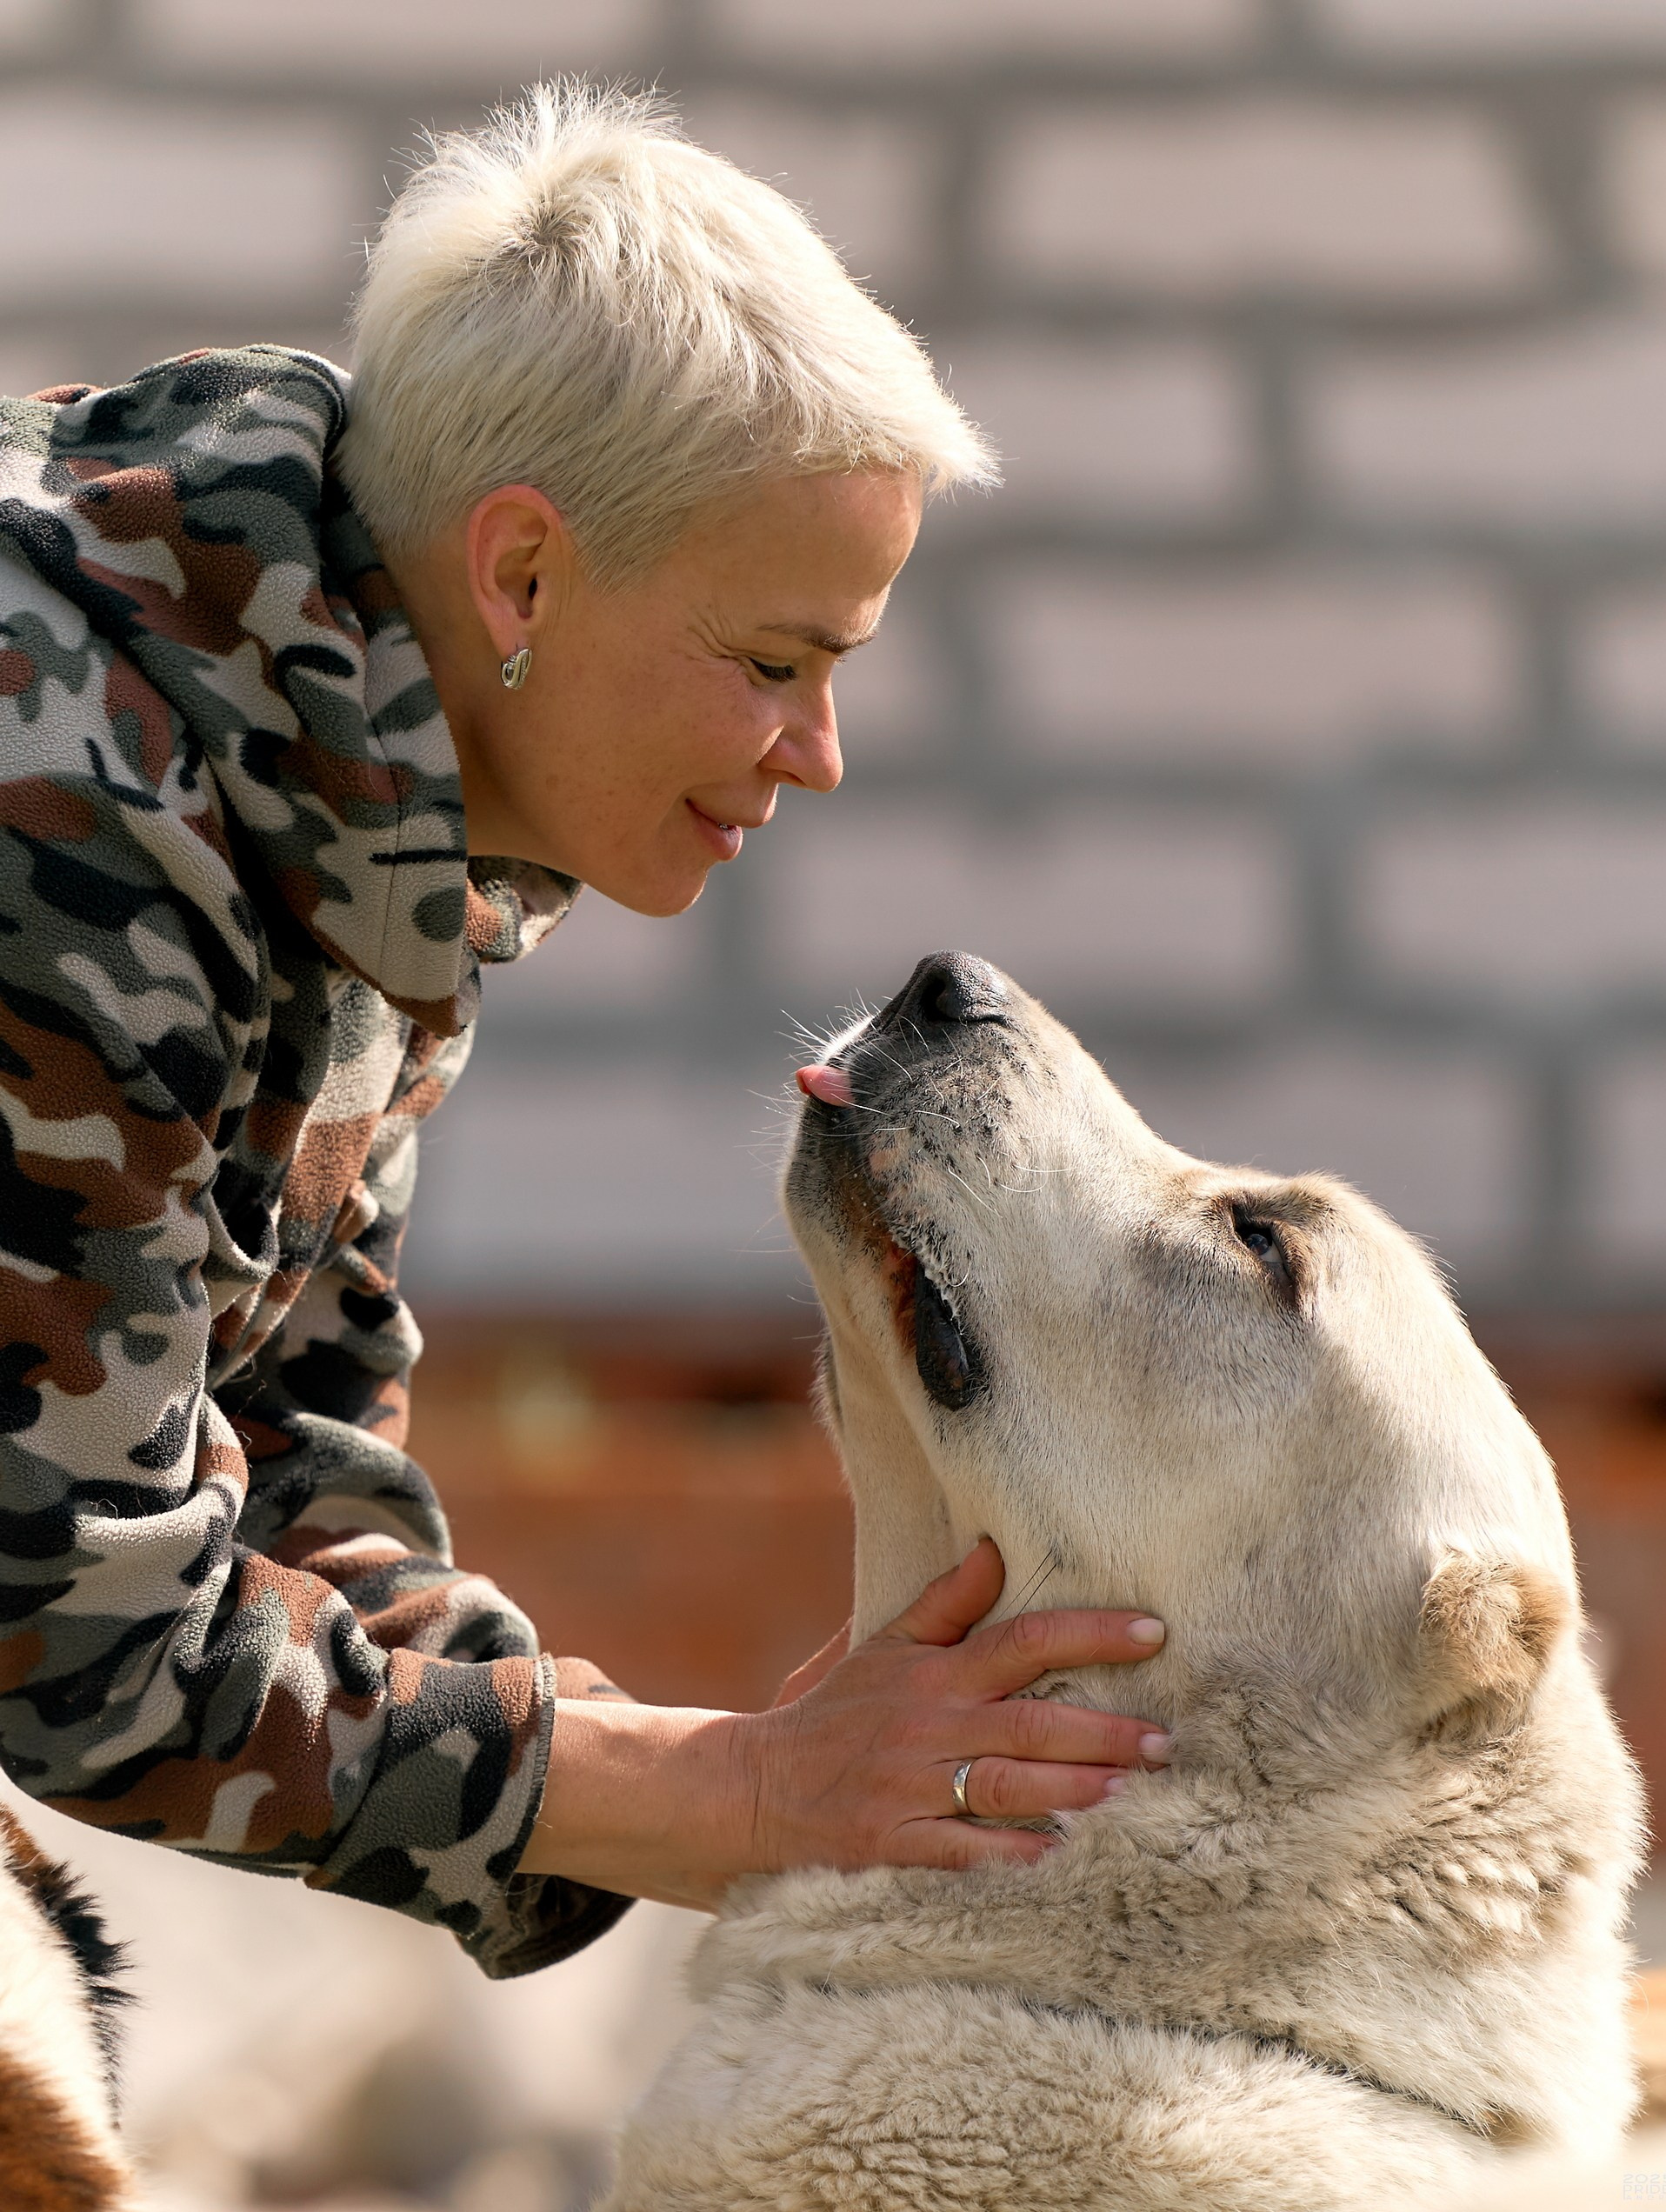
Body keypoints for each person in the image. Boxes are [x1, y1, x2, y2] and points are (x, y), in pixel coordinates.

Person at [0, 83, 1170, 1978]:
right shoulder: (73, 797)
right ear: (523, 572)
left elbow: (277, 1436)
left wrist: (752, 1789)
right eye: (774, 662)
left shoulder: (341, 769)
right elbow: (77, 1619)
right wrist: (715, 1794)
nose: (819, 751)